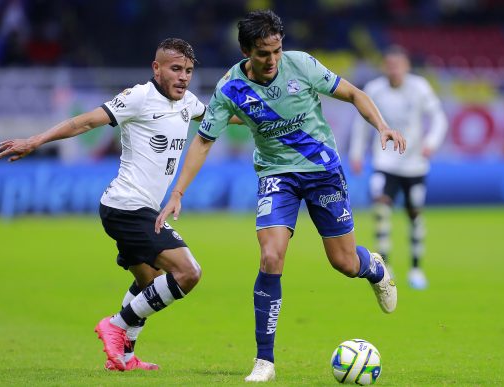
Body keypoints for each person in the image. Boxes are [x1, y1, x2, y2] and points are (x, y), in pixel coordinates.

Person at [155, 10, 406, 382]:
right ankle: (265, 361)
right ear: (246, 51)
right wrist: (177, 192)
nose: (272, 60)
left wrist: (382, 126)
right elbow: (204, 141)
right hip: (277, 176)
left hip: (323, 172)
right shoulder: (230, 89)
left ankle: (374, 268)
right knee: (271, 256)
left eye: (276, 51)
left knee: (344, 262)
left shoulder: (301, 65)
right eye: (263, 53)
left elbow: (353, 93)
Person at [0, 38, 207, 371]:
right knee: (188, 273)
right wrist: (35, 141)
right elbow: (85, 121)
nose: (183, 77)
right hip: (127, 207)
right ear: (157, 67)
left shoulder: (189, 102)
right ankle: (117, 324)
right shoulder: (138, 97)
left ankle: (124, 356)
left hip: (142, 208)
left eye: (189, 71)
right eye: (176, 69)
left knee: (148, 283)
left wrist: (262, 115)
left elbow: (222, 119)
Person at [349, 45, 448, 290]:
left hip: (414, 164)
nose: (393, 69)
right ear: (384, 66)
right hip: (385, 161)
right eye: (389, 65)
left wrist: (431, 143)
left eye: (398, 65)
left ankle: (416, 269)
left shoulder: (419, 87)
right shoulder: (374, 89)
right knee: (381, 209)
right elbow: (361, 124)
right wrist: (357, 153)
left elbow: (439, 118)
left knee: (415, 215)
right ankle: (386, 265)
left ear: (406, 66)